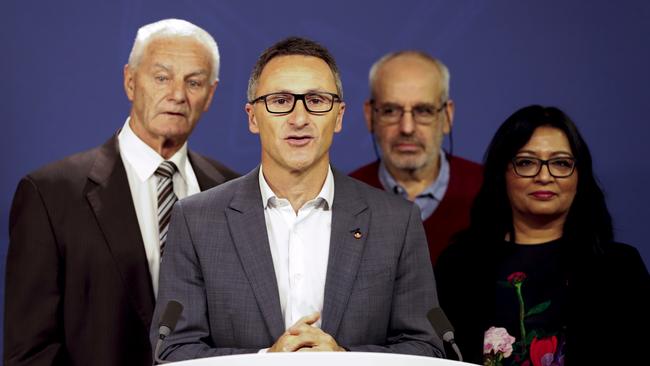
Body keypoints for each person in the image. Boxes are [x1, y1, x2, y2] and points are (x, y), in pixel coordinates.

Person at [151, 37, 443, 362]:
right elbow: (173, 350)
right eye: (280, 101)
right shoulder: (197, 221)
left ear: (340, 116)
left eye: (316, 100)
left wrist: (344, 358)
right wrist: (266, 359)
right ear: (252, 117)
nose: (299, 118)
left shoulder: (396, 222)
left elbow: (426, 347)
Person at [5, 19, 238, 366]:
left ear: (211, 95)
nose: (177, 94)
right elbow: (30, 351)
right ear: (130, 81)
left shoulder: (232, 192)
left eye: (194, 82)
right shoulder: (50, 194)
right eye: (162, 77)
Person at [434, 105, 650, 365]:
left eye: (561, 163)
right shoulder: (458, 265)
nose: (544, 176)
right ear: (501, 173)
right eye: (526, 162)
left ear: (579, 176)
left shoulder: (619, 267)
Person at [350, 51, 482, 265]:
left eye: (424, 111)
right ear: (370, 116)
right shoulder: (345, 198)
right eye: (391, 110)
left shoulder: (488, 189)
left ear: (447, 116)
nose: (407, 128)